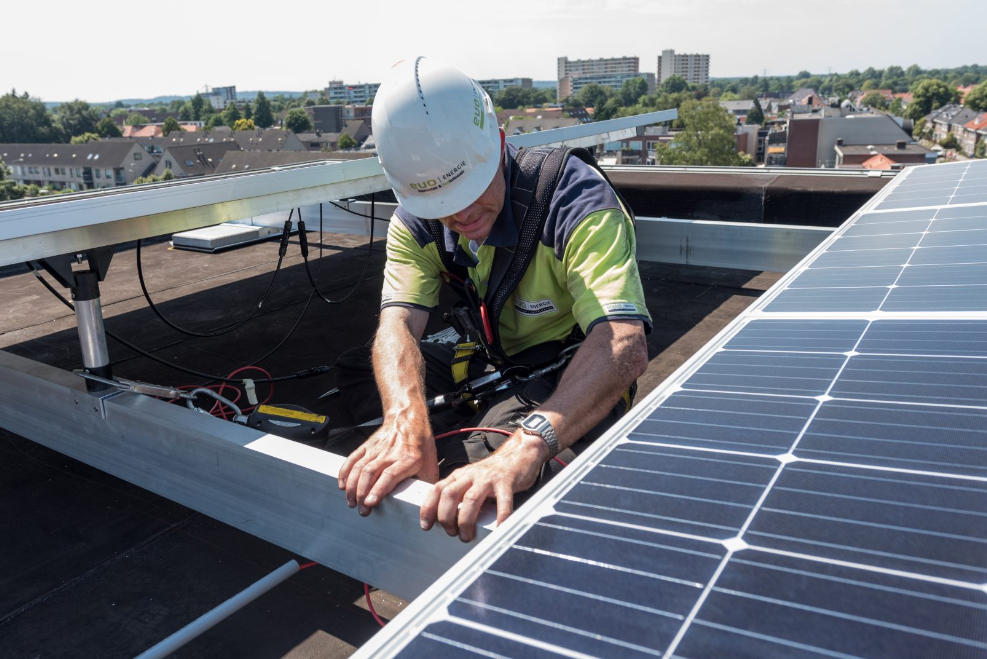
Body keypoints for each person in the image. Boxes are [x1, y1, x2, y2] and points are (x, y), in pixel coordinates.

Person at [336, 57, 650, 542]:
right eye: (438, 205)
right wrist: (407, 417)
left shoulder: (573, 202)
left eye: (469, 190)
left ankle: (506, 444)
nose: (459, 215)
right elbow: (397, 325)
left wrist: (528, 446)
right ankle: (436, 442)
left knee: (490, 465)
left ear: (499, 142)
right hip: (490, 351)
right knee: (364, 375)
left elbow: (622, 343)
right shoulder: (416, 223)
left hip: (569, 360)